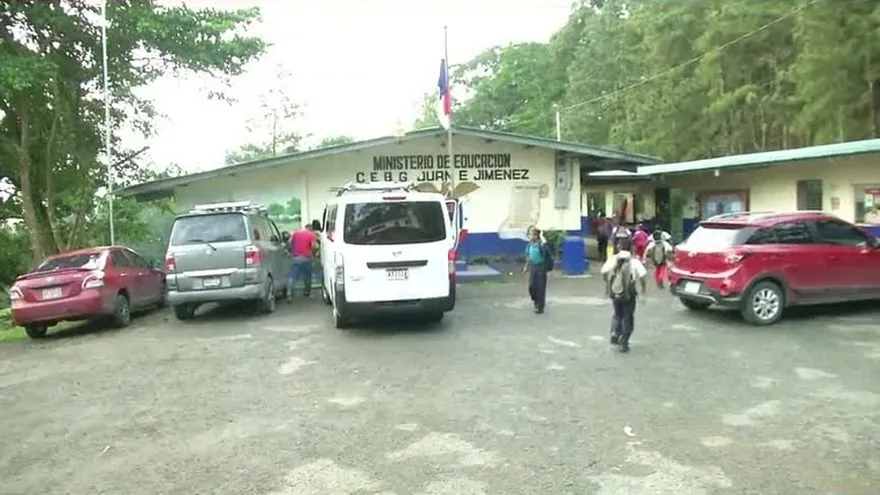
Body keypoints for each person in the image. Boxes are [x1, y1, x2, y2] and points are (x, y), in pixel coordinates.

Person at [601, 237, 647, 353]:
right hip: (628, 293)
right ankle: (624, 341)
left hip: (615, 291)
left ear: (619, 247)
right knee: (628, 317)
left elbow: (604, 272)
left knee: (617, 314)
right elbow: (643, 277)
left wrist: (608, 286)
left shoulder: (613, 260)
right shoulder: (634, 262)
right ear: (631, 248)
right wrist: (643, 291)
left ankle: (615, 333)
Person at [287, 222, 318, 302]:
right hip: (306, 258)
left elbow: (289, 243)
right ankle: (307, 292)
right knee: (307, 275)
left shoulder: (295, 233)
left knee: (292, 276)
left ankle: (289, 293)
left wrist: (290, 251)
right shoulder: (311, 235)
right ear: (311, 229)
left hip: (296, 258)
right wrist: (313, 256)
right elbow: (314, 246)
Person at [523, 227, 552, 314]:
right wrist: (526, 267)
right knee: (532, 286)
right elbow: (528, 256)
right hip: (533, 267)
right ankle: (535, 300)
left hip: (541, 268)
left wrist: (543, 239)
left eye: (531, 234)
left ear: (536, 236)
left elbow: (547, 250)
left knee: (540, 288)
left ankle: (540, 306)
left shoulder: (541, 245)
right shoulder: (529, 245)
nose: (530, 236)